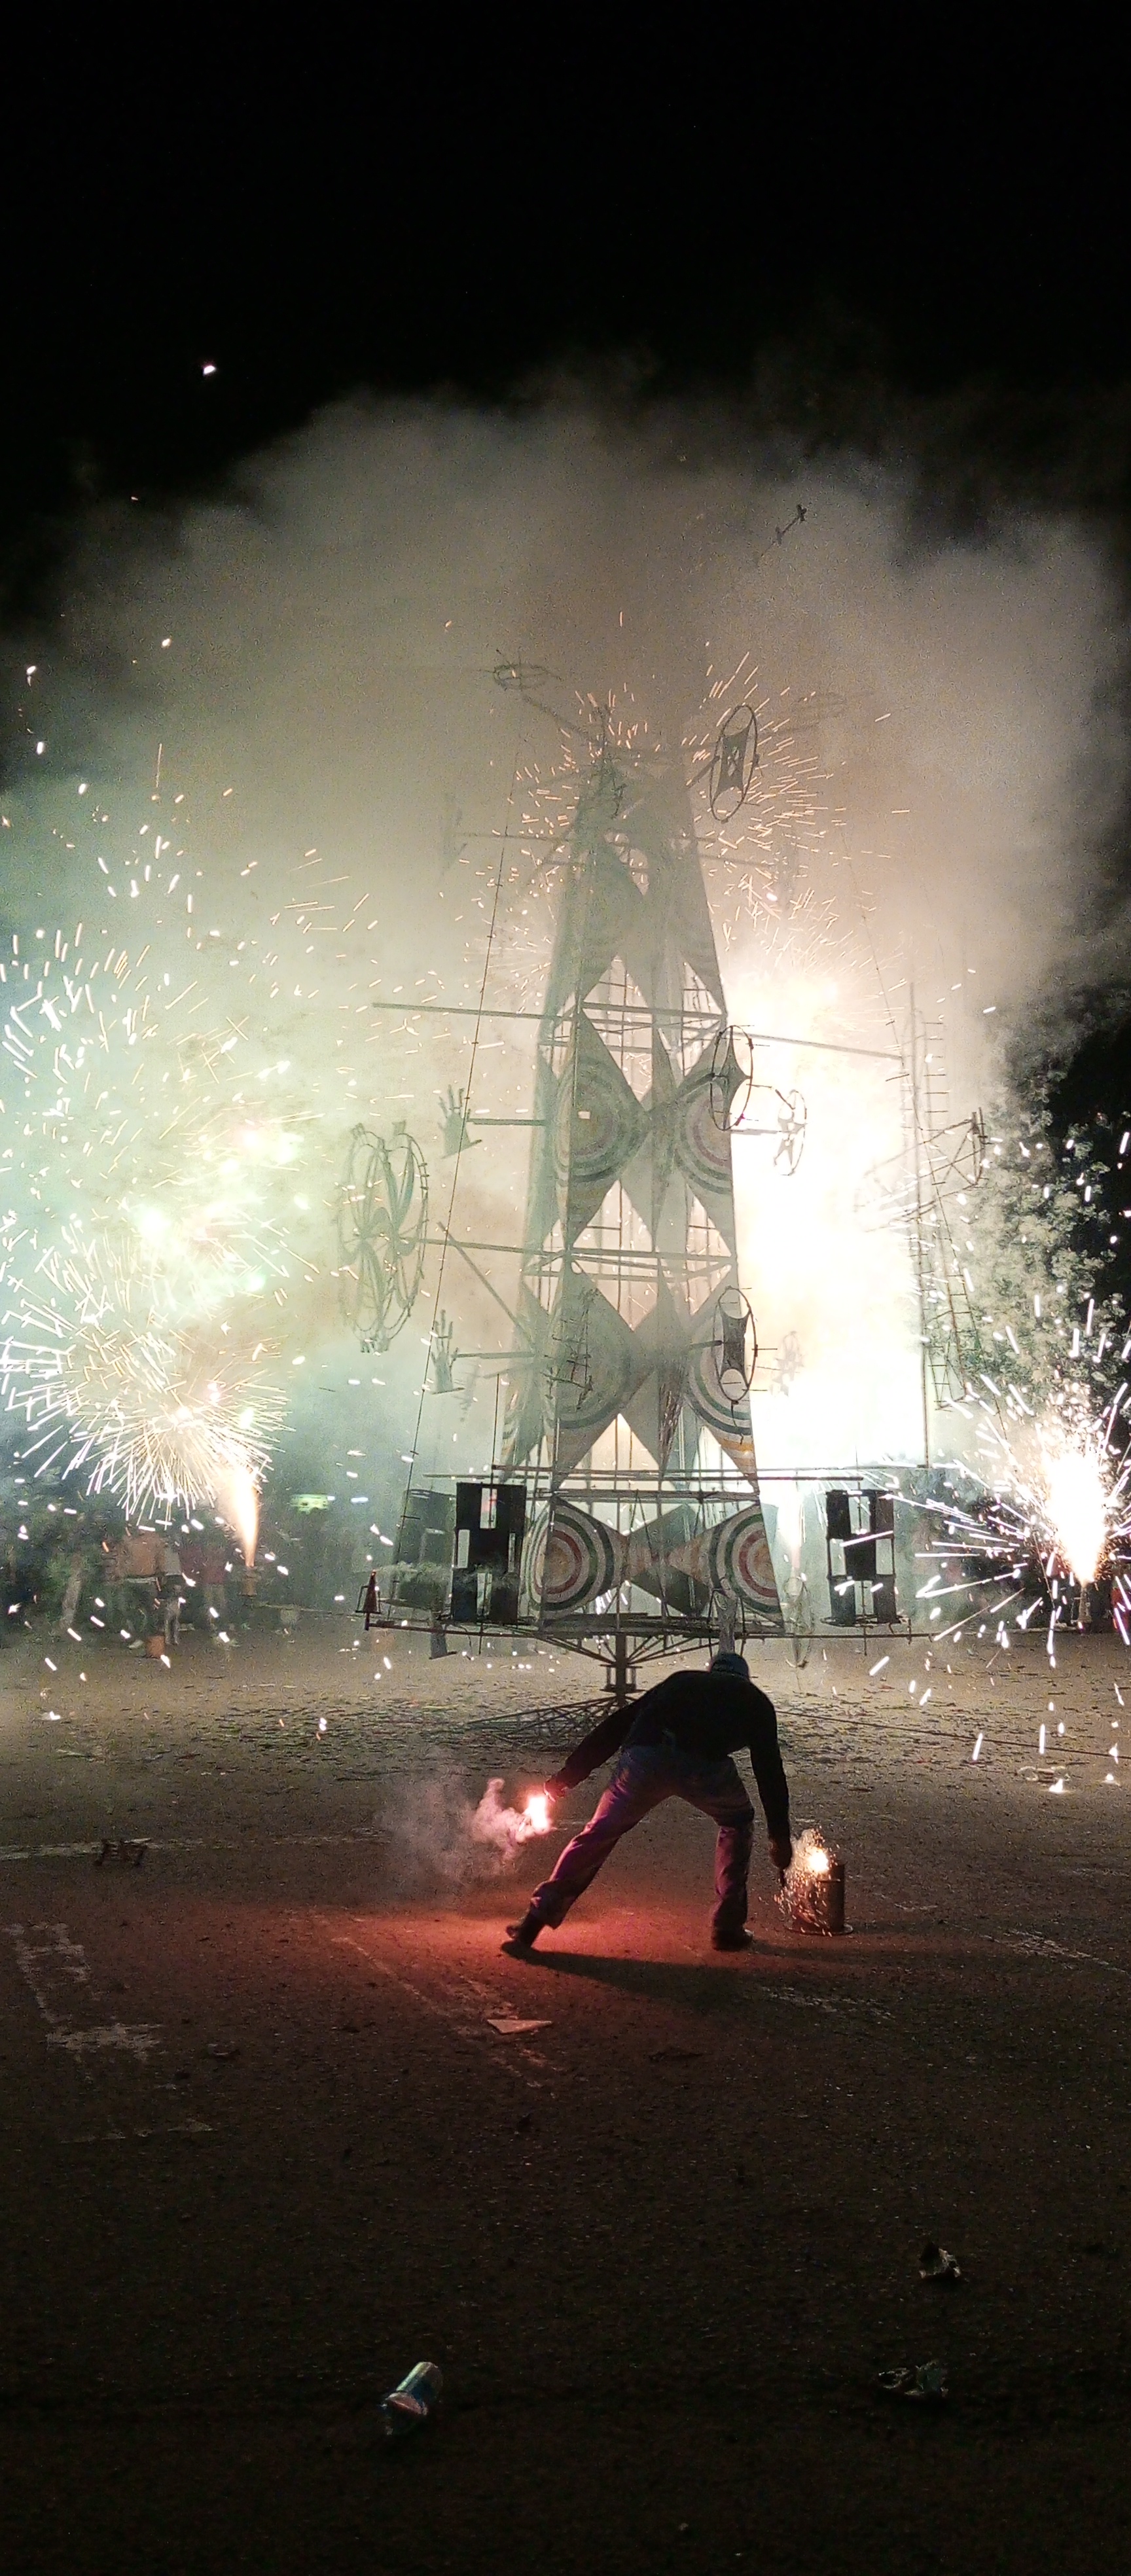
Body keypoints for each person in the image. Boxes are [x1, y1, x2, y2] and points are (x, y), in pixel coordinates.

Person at [505, 1649, 792, 1955]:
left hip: (643, 1759)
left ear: (711, 1672)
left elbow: (617, 1726)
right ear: (745, 1678)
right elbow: (769, 1771)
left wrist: (567, 1776)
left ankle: (534, 1922)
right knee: (737, 1822)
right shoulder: (756, 1701)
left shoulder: (681, 1681)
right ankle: (727, 1928)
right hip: (704, 1767)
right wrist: (779, 1836)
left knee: (598, 1834)